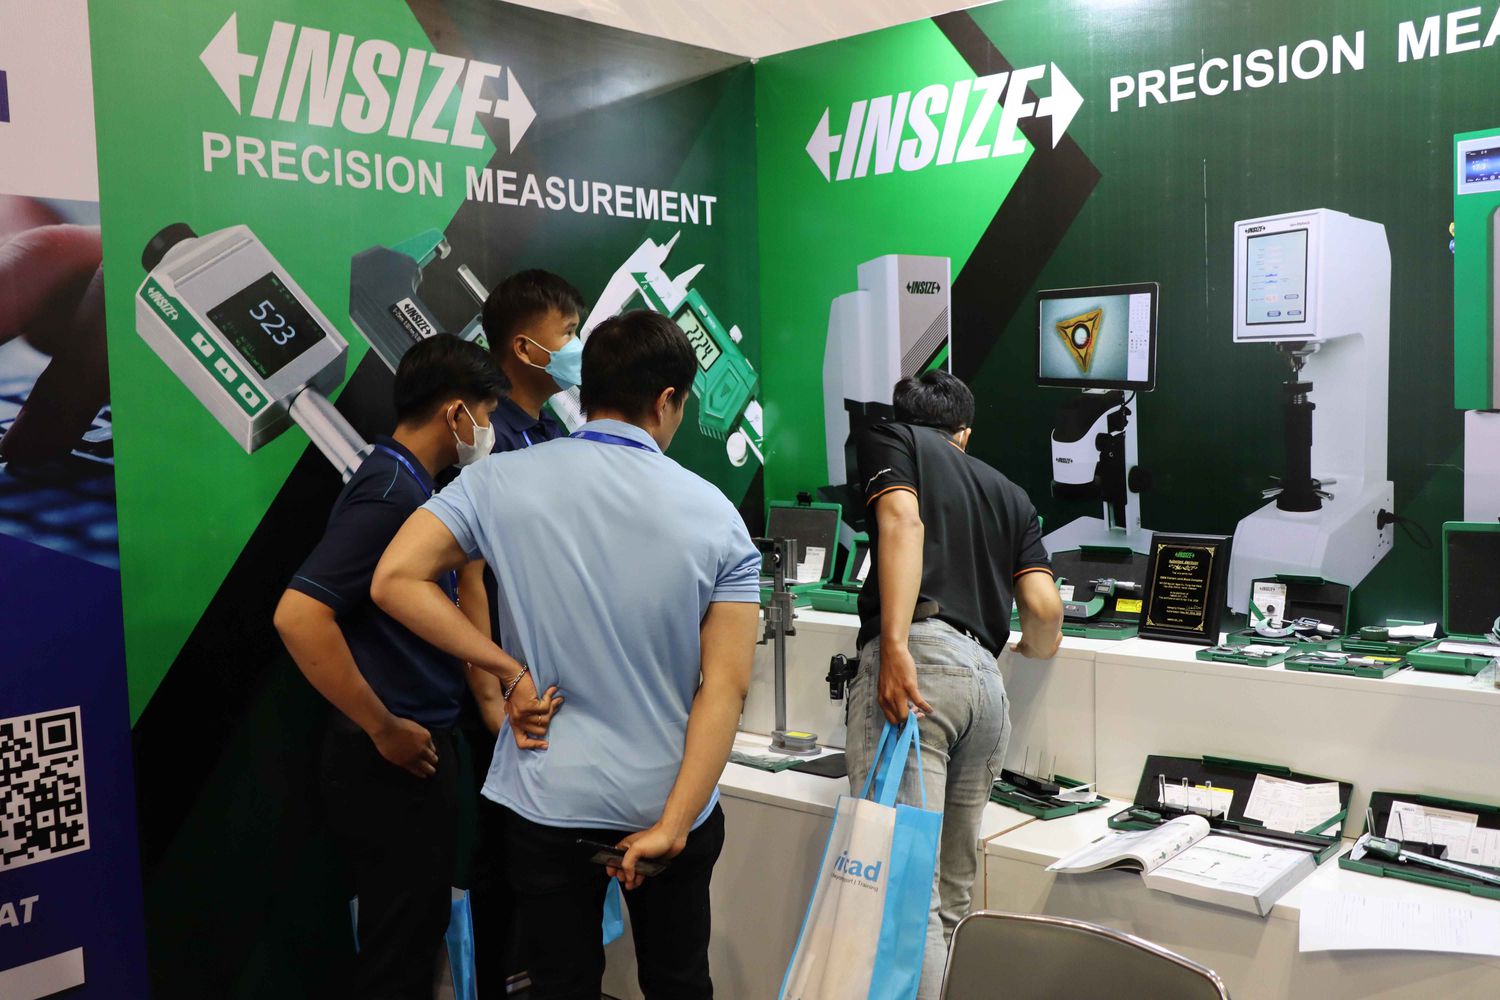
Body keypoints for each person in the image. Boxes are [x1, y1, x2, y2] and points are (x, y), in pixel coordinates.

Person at [371, 310, 760, 1000]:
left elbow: (394, 579)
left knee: (559, 985)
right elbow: (724, 688)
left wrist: (506, 669)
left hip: (547, 794)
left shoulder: (496, 481)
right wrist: (674, 824)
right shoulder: (717, 516)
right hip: (666, 795)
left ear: (589, 387)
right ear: (667, 400)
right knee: (678, 983)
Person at [273, 336, 526, 1000]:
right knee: (400, 951)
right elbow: (299, 615)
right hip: (392, 758)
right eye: (485, 414)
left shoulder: (413, 485)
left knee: (414, 935)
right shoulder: (391, 493)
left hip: (417, 745)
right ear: (455, 413)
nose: (488, 431)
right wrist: (382, 726)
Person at [845, 369, 1063, 1000]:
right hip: (985, 689)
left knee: (901, 893)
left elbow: (902, 524)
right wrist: (1031, 648)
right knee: (950, 898)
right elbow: (1044, 610)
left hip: (920, 673)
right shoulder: (1011, 494)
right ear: (964, 433)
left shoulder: (892, 438)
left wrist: (894, 645)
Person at [464, 268, 586, 998]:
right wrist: (492, 689)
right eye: (566, 334)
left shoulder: (555, 431)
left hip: (554, 683)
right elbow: (468, 575)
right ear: (523, 347)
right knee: (504, 872)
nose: (575, 346)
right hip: (506, 683)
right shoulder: (488, 441)